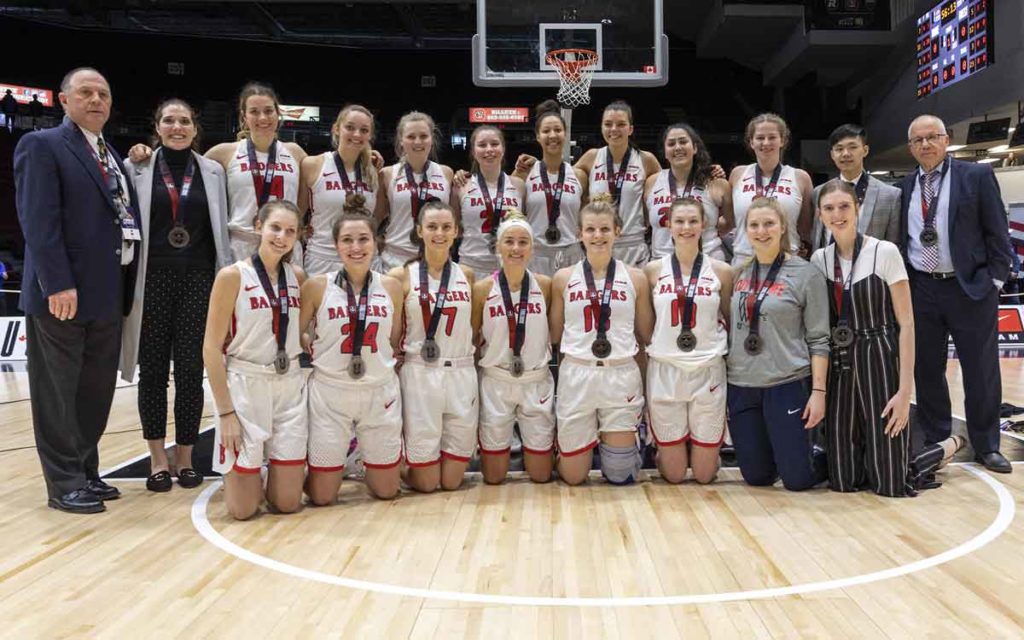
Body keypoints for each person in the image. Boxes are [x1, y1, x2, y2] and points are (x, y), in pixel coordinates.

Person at [14, 67, 140, 513]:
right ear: (63, 101)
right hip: (63, 295)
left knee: (94, 391)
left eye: (103, 93)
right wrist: (58, 283)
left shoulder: (111, 154)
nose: (96, 100)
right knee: (58, 393)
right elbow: (38, 221)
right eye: (85, 92)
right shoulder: (42, 146)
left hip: (107, 293)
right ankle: (63, 483)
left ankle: (86, 470)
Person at [119, 98, 231, 492]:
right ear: (158, 127)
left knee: (189, 373)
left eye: (185, 120)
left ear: (195, 129)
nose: (178, 126)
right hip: (151, 281)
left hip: (200, 282)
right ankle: (156, 456)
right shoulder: (136, 167)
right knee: (152, 374)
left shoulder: (214, 171)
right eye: (169, 120)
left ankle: (185, 455)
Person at [900, 114, 1013, 474]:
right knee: (927, 369)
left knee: (980, 370)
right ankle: (937, 439)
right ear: (911, 148)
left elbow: (998, 234)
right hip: (922, 287)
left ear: (947, 140)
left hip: (970, 288)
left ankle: (987, 444)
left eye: (932, 137)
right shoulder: (903, 188)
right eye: (918, 140)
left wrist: (994, 282)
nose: (926, 145)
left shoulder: (976, 176)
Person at [811, 180, 917, 496]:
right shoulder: (819, 259)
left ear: (858, 208)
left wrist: (905, 393)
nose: (837, 214)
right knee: (843, 480)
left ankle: (941, 451)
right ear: (820, 215)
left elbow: (908, 324)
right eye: (829, 208)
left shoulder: (885, 251)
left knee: (891, 482)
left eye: (844, 206)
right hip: (840, 362)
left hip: (880, 357)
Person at [203, 200, 307, 520]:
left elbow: (294, 333)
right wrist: (226, 413)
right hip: (245, 385)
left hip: (288, 386)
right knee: (243, 511)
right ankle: (244, 478)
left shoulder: (298, 277)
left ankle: (266, 473)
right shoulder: (232, 276)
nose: (282, 236)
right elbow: (210, 348)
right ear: (259, 226)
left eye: (290, 231)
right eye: (275, 227)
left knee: (288, 503)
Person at [131, 82, 307, 263]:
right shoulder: (223, 153)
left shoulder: (295, 153)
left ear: (278, 114)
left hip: (284, 244)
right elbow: (182, 168)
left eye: (269, 111)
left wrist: (298, 228)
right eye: (254, 111)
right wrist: (146, 152)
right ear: (244, 116)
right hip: (241, 245)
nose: (262, 118)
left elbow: (306, 198)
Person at [300, 197, 403, 502]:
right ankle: (316, 467)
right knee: (321, 498)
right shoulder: (317, 286)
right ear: (335, 245)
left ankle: (365, 457)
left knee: (387, 492)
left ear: (376, 242)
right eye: (347, 240)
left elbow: (393, 340)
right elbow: (296, 337)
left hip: (378, 391)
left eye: (363, 239)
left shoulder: (392, 287)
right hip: (331, 393)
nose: (356, 247)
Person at [549, 194, 653, 485]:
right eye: (591, 229)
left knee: (621, 476)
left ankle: (631, 443)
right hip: (578, 372)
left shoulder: (636, 278)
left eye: (605, 229)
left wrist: (641, 384)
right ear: (579, 233)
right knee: (573, 477)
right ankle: (563, 449)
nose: (598, 235)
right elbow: (556, 337)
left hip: (620, 373)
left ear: (617, 231)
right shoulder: (563, 278)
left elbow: (644, 337)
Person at [727, 197, 829, 490]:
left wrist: (818, 392)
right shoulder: (739, 273)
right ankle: (784, 455)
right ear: (745, 230)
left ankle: (831, 457)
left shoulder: (806, 273)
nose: (762, 231)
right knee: (757, 477)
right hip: (742, 385)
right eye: (754, 225)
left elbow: (819, 338)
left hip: (786, 383)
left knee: (798, 481)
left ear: (783, 227)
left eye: (769, 223)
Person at [388, 200, 476, 492]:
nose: (439, 233)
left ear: (456, 232)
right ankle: (388, 463)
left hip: (461, 371)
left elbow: (472, 330)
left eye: (446, 227)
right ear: (419, 231)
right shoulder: (401, 276)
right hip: (420, 372)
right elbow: (394, 333)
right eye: (432, 226)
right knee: (426, 484)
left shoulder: (468, 275)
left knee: (451, 483)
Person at [643, 197, 732, 483]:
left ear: (703, 225)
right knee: (674, 476)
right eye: (679, 221)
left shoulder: (721, 271)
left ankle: (706, 453)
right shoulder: (652, 271)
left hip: (708, 369)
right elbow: (647, 328)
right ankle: (667, 453)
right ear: (668, 225)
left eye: (693, 221)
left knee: (705, 476)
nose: (686, 227)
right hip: (666, 369)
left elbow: (729, 320)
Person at [471, 210, 554, 484]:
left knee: (542, 476)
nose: (516, 248)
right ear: (498, 246)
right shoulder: (483, 289)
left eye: (523, 242)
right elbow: (473, 338)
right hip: (496, 381)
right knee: (493, 478)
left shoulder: (545, 285)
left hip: (535, 380)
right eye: (509, 241)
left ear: (532, 247)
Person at [574, 101, 663, 267]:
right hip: (599, 241)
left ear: (630, 129)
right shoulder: (591, 157)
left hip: (633, 244)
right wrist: (537, 165)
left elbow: (670, 183)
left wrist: (706, 171)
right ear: (601, 127)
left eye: (621, 124)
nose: (614, 129)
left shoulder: (646, 160)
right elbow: (560, 178)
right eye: (608, 124)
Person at [299, 104, 380, 276]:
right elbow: (298, 213)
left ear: (370, 135)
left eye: (364, 130)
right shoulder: (313, 165)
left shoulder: (373, 170)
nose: (357, 134)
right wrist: (303, 230)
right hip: (323, 259)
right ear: (336, 129)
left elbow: (377, 219)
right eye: (350, 127)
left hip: (366, 259)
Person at [511, 100, 587, 277]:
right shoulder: (524, 174)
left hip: (571, 253)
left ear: (565, 134)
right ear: (537, 136)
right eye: (546, 131)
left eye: (558, 130)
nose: (552, 135)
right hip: (535, 253)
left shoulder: (579, 176)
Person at [729, 113, 814, 265]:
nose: (766, 143)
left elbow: (806, 229)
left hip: (786, 261)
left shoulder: (800, 178)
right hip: (744, 262)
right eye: (760, 138)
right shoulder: (737, 174)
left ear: (783, 141)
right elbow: (728, 220)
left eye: (772, 137)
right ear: (751, 142)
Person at [375, 112, 455, 272]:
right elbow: (376, 219)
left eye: (423, 136)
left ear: (431, 139)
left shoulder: (446, 173)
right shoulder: (387, 174)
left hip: (436, 259)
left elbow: (453, 220)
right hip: (395, 260)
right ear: (401, 141)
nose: (418, 141)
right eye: (411, 136)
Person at [644, 123, 734, 261]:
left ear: (695, 147)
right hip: (662, 264)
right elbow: (645, 221)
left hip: (708, 261)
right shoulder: (651, 183)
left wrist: (710, 229)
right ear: (665, 152)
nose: (678, 147)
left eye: (683, 141)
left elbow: (729, 222)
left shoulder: (716, 182)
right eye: (671, 144)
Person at [810, 124, 901, 251]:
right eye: (839, 149)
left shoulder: (890, 195)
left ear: (865, 150)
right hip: (825, 267)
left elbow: (893, 245)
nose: (846, 154)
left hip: (870, 268)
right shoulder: (818, 192)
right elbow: (817, 237)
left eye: (852, 147)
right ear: (832, 155)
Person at [455, 125, 525, 273]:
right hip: (470, 267)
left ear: (503, 148)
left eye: (494, 144)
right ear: (473, 152)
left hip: (509, 267)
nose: (489, 149)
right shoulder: (460, 185)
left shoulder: (519, 185)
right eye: (482, 145)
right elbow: (456, 229)